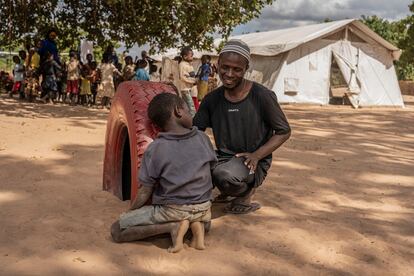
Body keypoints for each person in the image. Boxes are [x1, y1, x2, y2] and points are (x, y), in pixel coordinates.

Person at [193, 39, 291, 214]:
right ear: (217, 66)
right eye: (225, 67)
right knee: (189, 166)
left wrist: (257, 155)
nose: (229, 74)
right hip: (223, 157)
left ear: (246, 69)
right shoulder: (212, 99)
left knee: (224, 176)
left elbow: (284, 131)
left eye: (237, 69)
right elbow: (196, 130)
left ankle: (245, 193)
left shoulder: (262, 96)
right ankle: (226, 189)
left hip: (251, 161)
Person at [111, 93, 217, 253]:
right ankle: (197, 226)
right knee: (201, 218)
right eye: (188, 111)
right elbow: (212, 170)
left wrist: (132, 211)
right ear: (178, 111)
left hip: (173, 209)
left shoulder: (156, 148)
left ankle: (172, 226)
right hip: (203, 207)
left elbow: (145, 190)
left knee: (117, 230)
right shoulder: (203, 138)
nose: (191, 114)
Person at [179, 47, 197, 117]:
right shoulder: (182, 65)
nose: (192, 57)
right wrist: (194, 80)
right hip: (185, 89)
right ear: (185, 56)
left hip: (189, 89)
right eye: (191, 55)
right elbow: (183, 77)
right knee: (191, 107)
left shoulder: (188, 64)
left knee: (189, 107)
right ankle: (193, 124)